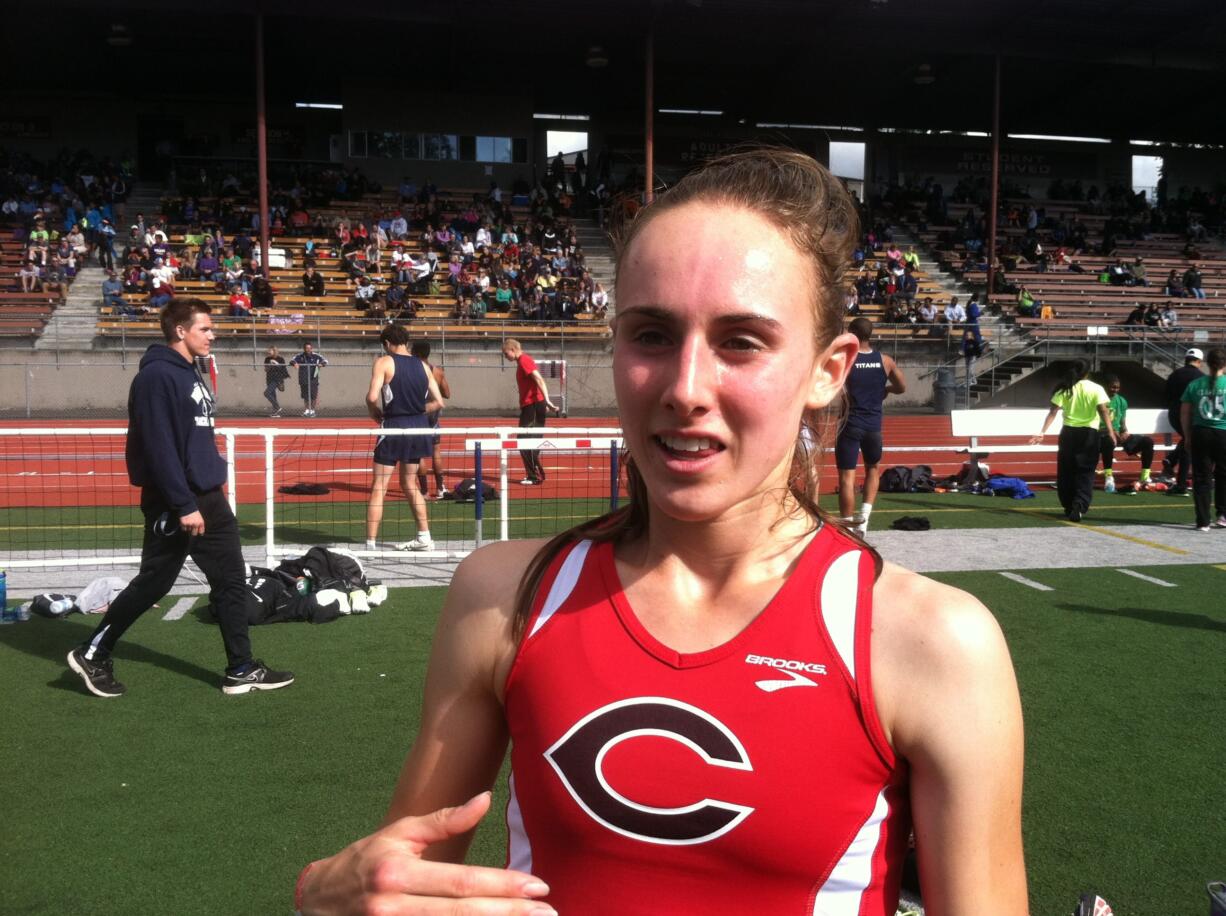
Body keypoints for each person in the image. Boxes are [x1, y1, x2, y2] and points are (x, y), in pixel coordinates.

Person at [296, 149, 1027, 914]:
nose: (684, 389)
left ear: (829, 369)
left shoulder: (933, 644)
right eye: (651, 334)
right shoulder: (502, 598)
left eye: (741, 341)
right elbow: (401, 880)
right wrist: (322, 892)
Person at [66, 298, 294, 698]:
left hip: (209, 496)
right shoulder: (157, 377)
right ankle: (91, 652)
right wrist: (183, 503)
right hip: (178, 500)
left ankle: (240, 668)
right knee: (154, 583)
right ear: (180, 331)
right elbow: (159, 447)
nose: (212, 335)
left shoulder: (190, 372)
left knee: (230, 581)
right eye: (205, 328)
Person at [364, 324, 444, 551]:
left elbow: (372, 396)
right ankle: (424, 536)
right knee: (410, 483)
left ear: (387, 343)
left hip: (393, 426)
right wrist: (418, 411)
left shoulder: (384, 362)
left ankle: (370, 543)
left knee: (380, 485)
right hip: (418, 427)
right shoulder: (423, 365)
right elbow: (439, 402)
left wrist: (373, 412)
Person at [836, 317, 906, 536]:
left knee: (847, 477)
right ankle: (863, 522)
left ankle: (848, 526)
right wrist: (887, 390)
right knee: (872, 470)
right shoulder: (885, 360)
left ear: (853, 333)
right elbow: (902, 387)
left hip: (850, 424)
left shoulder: (846, 359)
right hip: (873, 426)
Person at [1031, 360, 1117, 522]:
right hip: (1089, 433)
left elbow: (1053, 412)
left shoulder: (1065, 388)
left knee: (1066, 471)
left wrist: (1042, 432)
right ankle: (1080, 504)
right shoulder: (1096, 388)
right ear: (1088, 372)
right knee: (1085, 471)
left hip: (1068, 433)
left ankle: (1068, 505)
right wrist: (1111, 431)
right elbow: (1103, 410)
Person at [501, 338, 559, 485]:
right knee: (528, 440)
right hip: (532, 405)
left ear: (512, 349)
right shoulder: (522, 361)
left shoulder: (524, 360)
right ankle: (533, 474)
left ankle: (534, 475)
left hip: (533, 405)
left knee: (525, 441)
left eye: (505, 353)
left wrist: (547, 400)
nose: (505, 356)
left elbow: (539, 379)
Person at [1180, 347, 1226, 531]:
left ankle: (1203, 521)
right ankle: (1222, 515)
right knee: (1224, 475)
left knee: (1201, 478)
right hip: (1223, 432)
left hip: (1201, 432)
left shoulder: (1195, 384)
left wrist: (1187, 435)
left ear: (1207, 363)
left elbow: (1185, 413)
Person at [1098, 374, 1155, 493]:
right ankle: (1109, 476)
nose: (1115, 390)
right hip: (1101, 434)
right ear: (1106, 386)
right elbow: (1096, 422)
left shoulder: (1122, 401)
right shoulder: (1099, 399)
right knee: (1108, 441)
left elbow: (1122, 421)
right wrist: (1112, 432)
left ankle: (1145, 476)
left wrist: (1125, 432)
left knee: (1148, 442)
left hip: (1118, 435)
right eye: (1112, 387)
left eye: (1117, 387)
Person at [411, 339, 451, 500]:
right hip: (433, 417)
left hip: (418, 415)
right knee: (436, 452)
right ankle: (441, 488)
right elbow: (447, 394)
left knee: (419, 454)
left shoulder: (412, 371)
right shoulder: (438, 371)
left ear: (416, 353)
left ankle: (424, 490)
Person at [1164, 348, 1205, 495]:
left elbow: (1166, 395)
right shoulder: (1201, 377)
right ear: (1199, 361)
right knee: (1189, 443)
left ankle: (1171, 460)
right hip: (1191, 414)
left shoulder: (1175, 374)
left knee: (1187, 440)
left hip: (1174, 413)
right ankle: (1181, 482)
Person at [291, 342, 329, 417]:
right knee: (306, 396)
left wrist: (322, 364)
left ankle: (312, 411)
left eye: (309, 348)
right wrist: (295, 363)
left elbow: (326, 361)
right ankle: (307, 410)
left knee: (313, 396)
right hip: (303, 379)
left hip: (313, 379)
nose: (308, 349)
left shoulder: (316, 356)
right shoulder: (300, 356)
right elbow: (292, 360)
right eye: (306, 348)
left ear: (311, 349)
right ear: (304, 349)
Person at [263, 346, 290, 417]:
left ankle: (277, 407)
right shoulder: (267, 359)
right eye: (268, 351)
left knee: (266, 393)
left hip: (277, 379)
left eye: (270, 350)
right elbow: (266, 369)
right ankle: (276, 412)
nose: (269, 352)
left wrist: (276, 364)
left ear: (274, 351)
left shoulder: (280, 359)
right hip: (269, 378)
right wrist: (270, 365)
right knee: (272, 395)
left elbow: (283, 369)